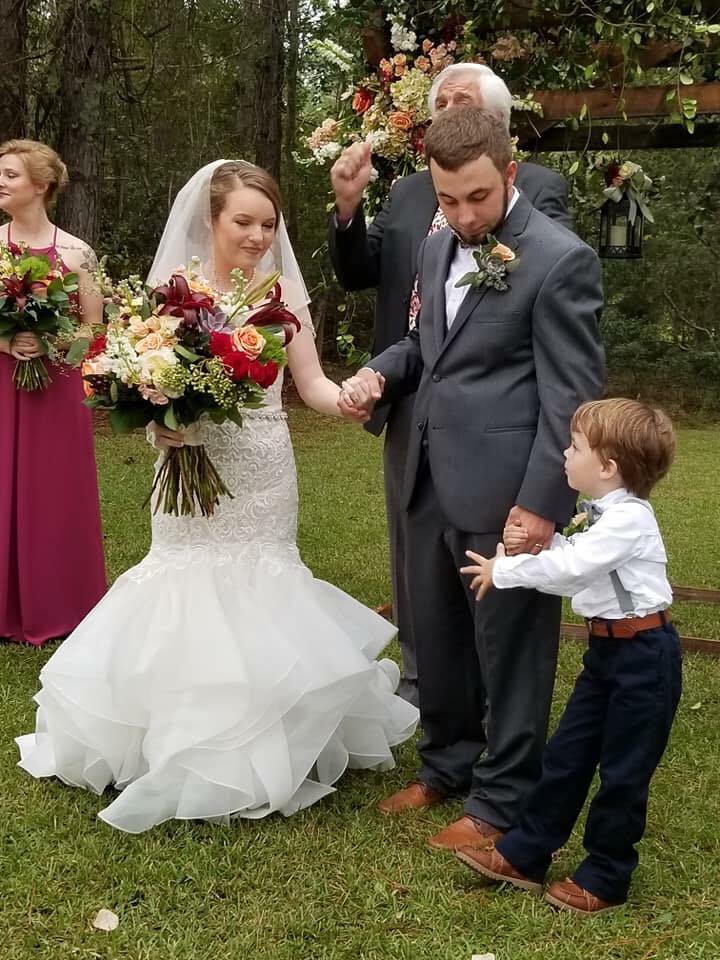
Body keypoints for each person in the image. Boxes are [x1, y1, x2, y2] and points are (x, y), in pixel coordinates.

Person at [16, 160, 418, 833]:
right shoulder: (172, 294)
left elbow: (311, 384)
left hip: (262, 466)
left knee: (265, 583)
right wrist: (160, 424)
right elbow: (136, 378)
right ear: (212, 219)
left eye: (269, 224)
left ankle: (266, 740)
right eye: (244, 222)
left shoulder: (282, 292)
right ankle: (177, 739)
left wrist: (350, 397)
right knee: (181, 584)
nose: (258, 236)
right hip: (188, 463)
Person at [338, 107, 605, 851]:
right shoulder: (435, 248)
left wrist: (543, 504)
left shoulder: (560, 260)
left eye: (479, 197)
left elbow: (571, 397)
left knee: (510, 649)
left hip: (505, 492)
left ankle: (503, 799)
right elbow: (425, 346)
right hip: (425, 473)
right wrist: (378, 373)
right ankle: (447, 764)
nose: (463, 216)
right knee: (435, 634)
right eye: (448, 199)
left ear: (510, 174)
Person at [328, 63, 572, 706]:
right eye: (442, 102)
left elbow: (549, 311)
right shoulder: (414, 201)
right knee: (422, 572)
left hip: (498, 434)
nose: (461, 215)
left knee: (496, 594)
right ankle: (429, 699)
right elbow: (372, 281)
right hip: (414, 409)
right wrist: (347, 209)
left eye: (464, 101)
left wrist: (545, 496)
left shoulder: (541, 205)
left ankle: (497, 733)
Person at [456, 398, 681, 915]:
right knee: (566, 755)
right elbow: (574, 564)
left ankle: (606, 875)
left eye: (575, 447)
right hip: (606, 653)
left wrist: (503, 570)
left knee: (624, 771)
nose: (565, 453)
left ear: (607, 467)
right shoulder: (604, 519)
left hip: (644, 658)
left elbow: (574, 569)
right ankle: (524, 853)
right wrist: (536, 547)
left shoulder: (630, 520)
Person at [0, 139, 106, 646]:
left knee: (53, 490)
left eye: (10, 175)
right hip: (2, 380)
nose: (0, 183)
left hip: (58, 387)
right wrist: (5, 340)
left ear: (41, 185)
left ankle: (61, 601)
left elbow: (94, 330)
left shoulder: (78, 253)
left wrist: (49, 342)